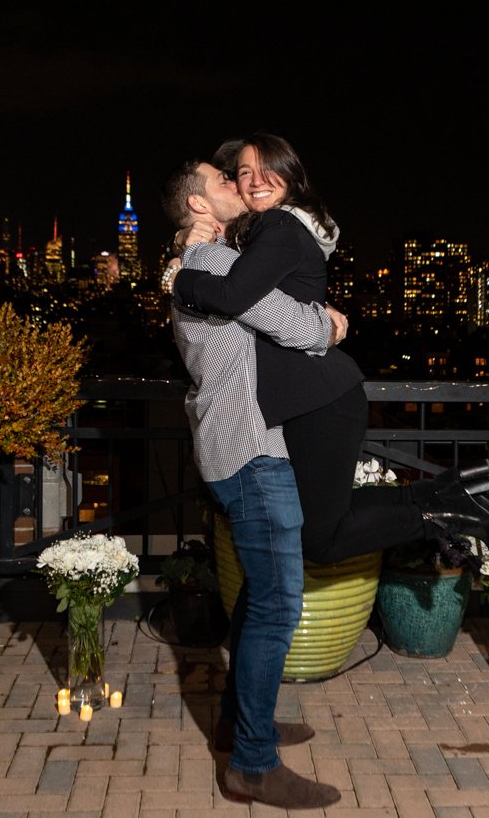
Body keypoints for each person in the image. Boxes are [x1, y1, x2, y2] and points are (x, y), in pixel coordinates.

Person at [166, 133, 489, 566]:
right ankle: (458, 492)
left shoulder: (278, 225)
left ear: (291, 177)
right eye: (238, 175)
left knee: (319, 539)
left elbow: (236, 295)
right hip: (310, 401)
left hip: (321, 399)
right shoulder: (252, 235)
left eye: (264, 170)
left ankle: (454, 506)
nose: (246, 183)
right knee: (323, 528)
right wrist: (182, 243)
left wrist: (177, 279)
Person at [160, 159, 343, 809]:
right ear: (198, 204)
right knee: (277, 604)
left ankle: (244, 724)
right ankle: (253, 766)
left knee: (259, 598)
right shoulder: (212, 268)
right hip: (251, 452)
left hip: (236, 444)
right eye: (224, 181)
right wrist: (330, 322)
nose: (242, 187)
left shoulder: (200, 266)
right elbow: (296, 327)